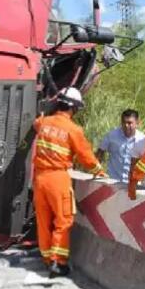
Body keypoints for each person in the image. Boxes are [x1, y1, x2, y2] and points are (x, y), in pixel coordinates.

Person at [33, 87, 105, 278]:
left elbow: (36, 123)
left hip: (40, 179)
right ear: (73, 108)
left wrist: (47, 109)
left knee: (43, 220)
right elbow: (86, 157)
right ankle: (58, 262)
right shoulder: (73, 130)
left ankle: (47, 258)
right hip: (58, 179)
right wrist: (99, 171)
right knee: (63, 220)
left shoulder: (44, 123)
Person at [96, 109, 145, 183]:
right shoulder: (112, 135)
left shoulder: (142, 140)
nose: (126, 125)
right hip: (112, 181)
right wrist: (97, 171)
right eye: (124, 122)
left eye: (129, 123)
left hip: (133, 184)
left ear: (137, 123)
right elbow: (100, 153)